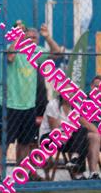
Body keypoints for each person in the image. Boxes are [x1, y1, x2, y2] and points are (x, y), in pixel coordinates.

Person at [4, 23, 63, 178]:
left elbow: (57, 53)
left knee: (27, 141)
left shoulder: (37, 52)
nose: (31, 40)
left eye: (34, 38)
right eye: (28, 37)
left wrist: (47, 37)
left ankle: (24, 172)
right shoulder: (14, 48)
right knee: (8, 141)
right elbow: (10, 57)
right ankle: (2, 173)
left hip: (32, 103)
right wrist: (18, 37)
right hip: (13, 103)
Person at [39, 96, 101, 179]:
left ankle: (76, 160)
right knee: (79, 138)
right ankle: (78, 173)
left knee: (83, 131)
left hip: (69, 137)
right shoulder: (53, 104)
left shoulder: (76, 106)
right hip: (50, 138)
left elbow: (80, 125)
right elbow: (54, 129)